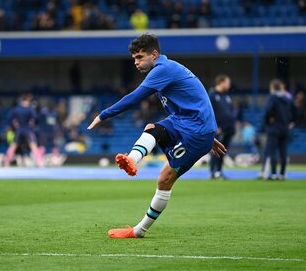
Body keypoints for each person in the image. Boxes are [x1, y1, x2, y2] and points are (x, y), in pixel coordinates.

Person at [87, 33, 226, 238]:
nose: (136, 62)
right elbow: (196, 98)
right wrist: (209, 133)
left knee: (164, 179)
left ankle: (139, 231)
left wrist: (103, 115)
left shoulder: (163, 70)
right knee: (152, 127)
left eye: (140, 57)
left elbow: (134, 98)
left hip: (195, 131)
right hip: (187, 123)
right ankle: (131, 159)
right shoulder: (167, 68)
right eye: (134, 58)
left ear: (154, 54)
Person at [260, 79, 295, 180]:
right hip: (285, 129)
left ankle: (274, 174)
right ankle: (282, 174)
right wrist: (291, 121)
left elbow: (268, 110)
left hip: (274, 129)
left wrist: (268, 122)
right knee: (283, 152)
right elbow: (295, 111)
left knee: (272, 152)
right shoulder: (287, 98)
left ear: (272, 88)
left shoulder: (273, 97)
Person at [208, 74, 236, 179]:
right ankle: (213, 171)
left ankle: (219, 171)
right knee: (216, 150)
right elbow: (209, 112)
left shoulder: (226, 96)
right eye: (227, 82)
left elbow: (230, 111)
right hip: (219, 129)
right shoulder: (212, 95)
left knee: (223, 151)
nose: (229, 85)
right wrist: (215, 126)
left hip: (228, 128)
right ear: (221, 82)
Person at [4, 94, 44, 167]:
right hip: (27, 129)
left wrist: (14, 124)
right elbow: (36, 118)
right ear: (27, 101)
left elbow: (9, 118)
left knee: (13, 146)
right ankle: (40, 163)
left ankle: (7, 162)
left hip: (19, 130)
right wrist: (32, 123)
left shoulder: (16, 109)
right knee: (33, 146)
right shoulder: (29, 109)